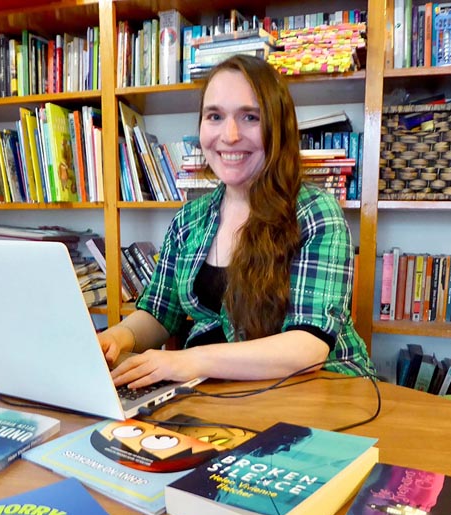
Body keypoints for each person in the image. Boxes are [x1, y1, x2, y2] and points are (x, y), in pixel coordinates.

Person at [98, 55, 372, 389]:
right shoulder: (189, 220)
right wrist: (119, 337)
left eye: (250, 117)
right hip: (225, 396)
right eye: (215, 116)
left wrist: (187, 360)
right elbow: (159, 311)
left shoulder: (315, 212)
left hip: (323, 395)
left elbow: (308, 347)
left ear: (278, 128)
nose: (229, 135)